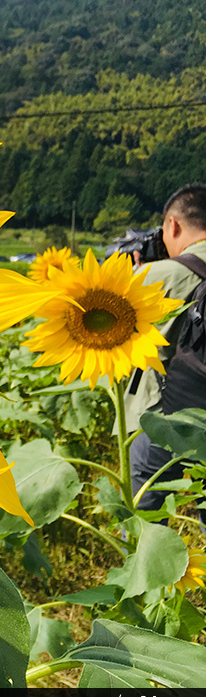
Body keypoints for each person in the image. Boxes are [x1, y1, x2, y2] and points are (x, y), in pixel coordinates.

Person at [125, 183, 206, 523]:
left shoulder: (158, 274)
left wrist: (131, 271)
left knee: (148, 520)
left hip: (164, 418)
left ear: (172, 226)